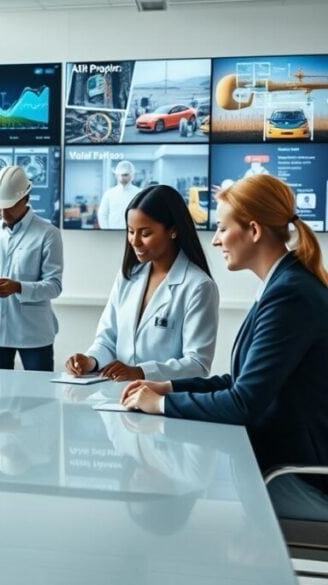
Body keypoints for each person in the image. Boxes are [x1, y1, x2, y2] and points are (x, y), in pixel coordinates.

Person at [121, 175, 328, 516]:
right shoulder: (281, 286)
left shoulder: (290, 295)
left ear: (254, 231)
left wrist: (160, 404)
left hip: (290, 477)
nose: (215, 240)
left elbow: (243, 403)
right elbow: (239, 383)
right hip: (272, 465)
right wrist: (168, 387)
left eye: (222, 227)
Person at [66, 185, 219, 381]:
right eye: (131, 231)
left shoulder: (198, 286)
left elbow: (198, 365)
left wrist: (141, 372)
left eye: (145, 234)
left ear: (172, 231)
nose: (135, 241)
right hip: (118, 394)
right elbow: (108, 339)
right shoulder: (129, 276)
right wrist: (91, 361)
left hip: (165, 401)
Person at [0, 165, 63, 371]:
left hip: (33, 332)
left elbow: (54, 286)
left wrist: (18, 287)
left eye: (9, 206)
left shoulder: (48, 233)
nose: (2, 212)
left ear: (25, 199)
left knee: (41, 396)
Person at [97, 160, 141, 230]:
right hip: (113, 233)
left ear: (132, 175)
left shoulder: (140, 193)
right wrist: (107, 231)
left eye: (125, 175)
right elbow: (102, 215)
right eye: (119, 175)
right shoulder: (109, 193)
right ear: (116, 175)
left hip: (133, 234)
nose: (122, 178)